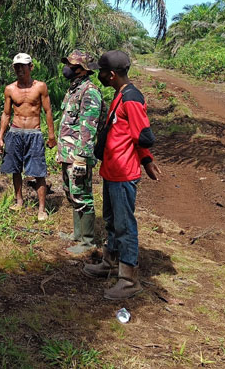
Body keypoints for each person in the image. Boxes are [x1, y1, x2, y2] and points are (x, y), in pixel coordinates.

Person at [82, 50, 161, 300]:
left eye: (102, 72)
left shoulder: (132, 99)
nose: (99, 75)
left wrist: (146, 157)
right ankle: (110, 262)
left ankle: (128, 279)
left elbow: (141, 134)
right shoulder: (120, 94)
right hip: (111, 170)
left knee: (125, 226)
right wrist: (146, 158)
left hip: (123, 173)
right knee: (111, 221)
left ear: (112, 74)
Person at [0, 53, 56, 221]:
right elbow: (6, 114)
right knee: (15, 168)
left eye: (23, 66)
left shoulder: (40, 87)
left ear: (31, 67)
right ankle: (19, 200)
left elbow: (48, 111)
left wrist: (51, 135)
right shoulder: (10, 89)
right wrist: (1, 138)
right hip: (15, 132)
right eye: (16, 66)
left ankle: (42, 209)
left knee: (38, 171)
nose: (19, 69)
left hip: (34, 133)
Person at [57, 50, 103, 254]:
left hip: (78, 155)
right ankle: (77, 235)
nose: (67, 68)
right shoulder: (74, 89)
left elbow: (88, 127)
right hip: (67, 152)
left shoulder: (89, 91)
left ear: (82, 70)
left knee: (82, 195)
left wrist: (82, 159)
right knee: (71, 193)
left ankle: (87, 242)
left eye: (72, 65)